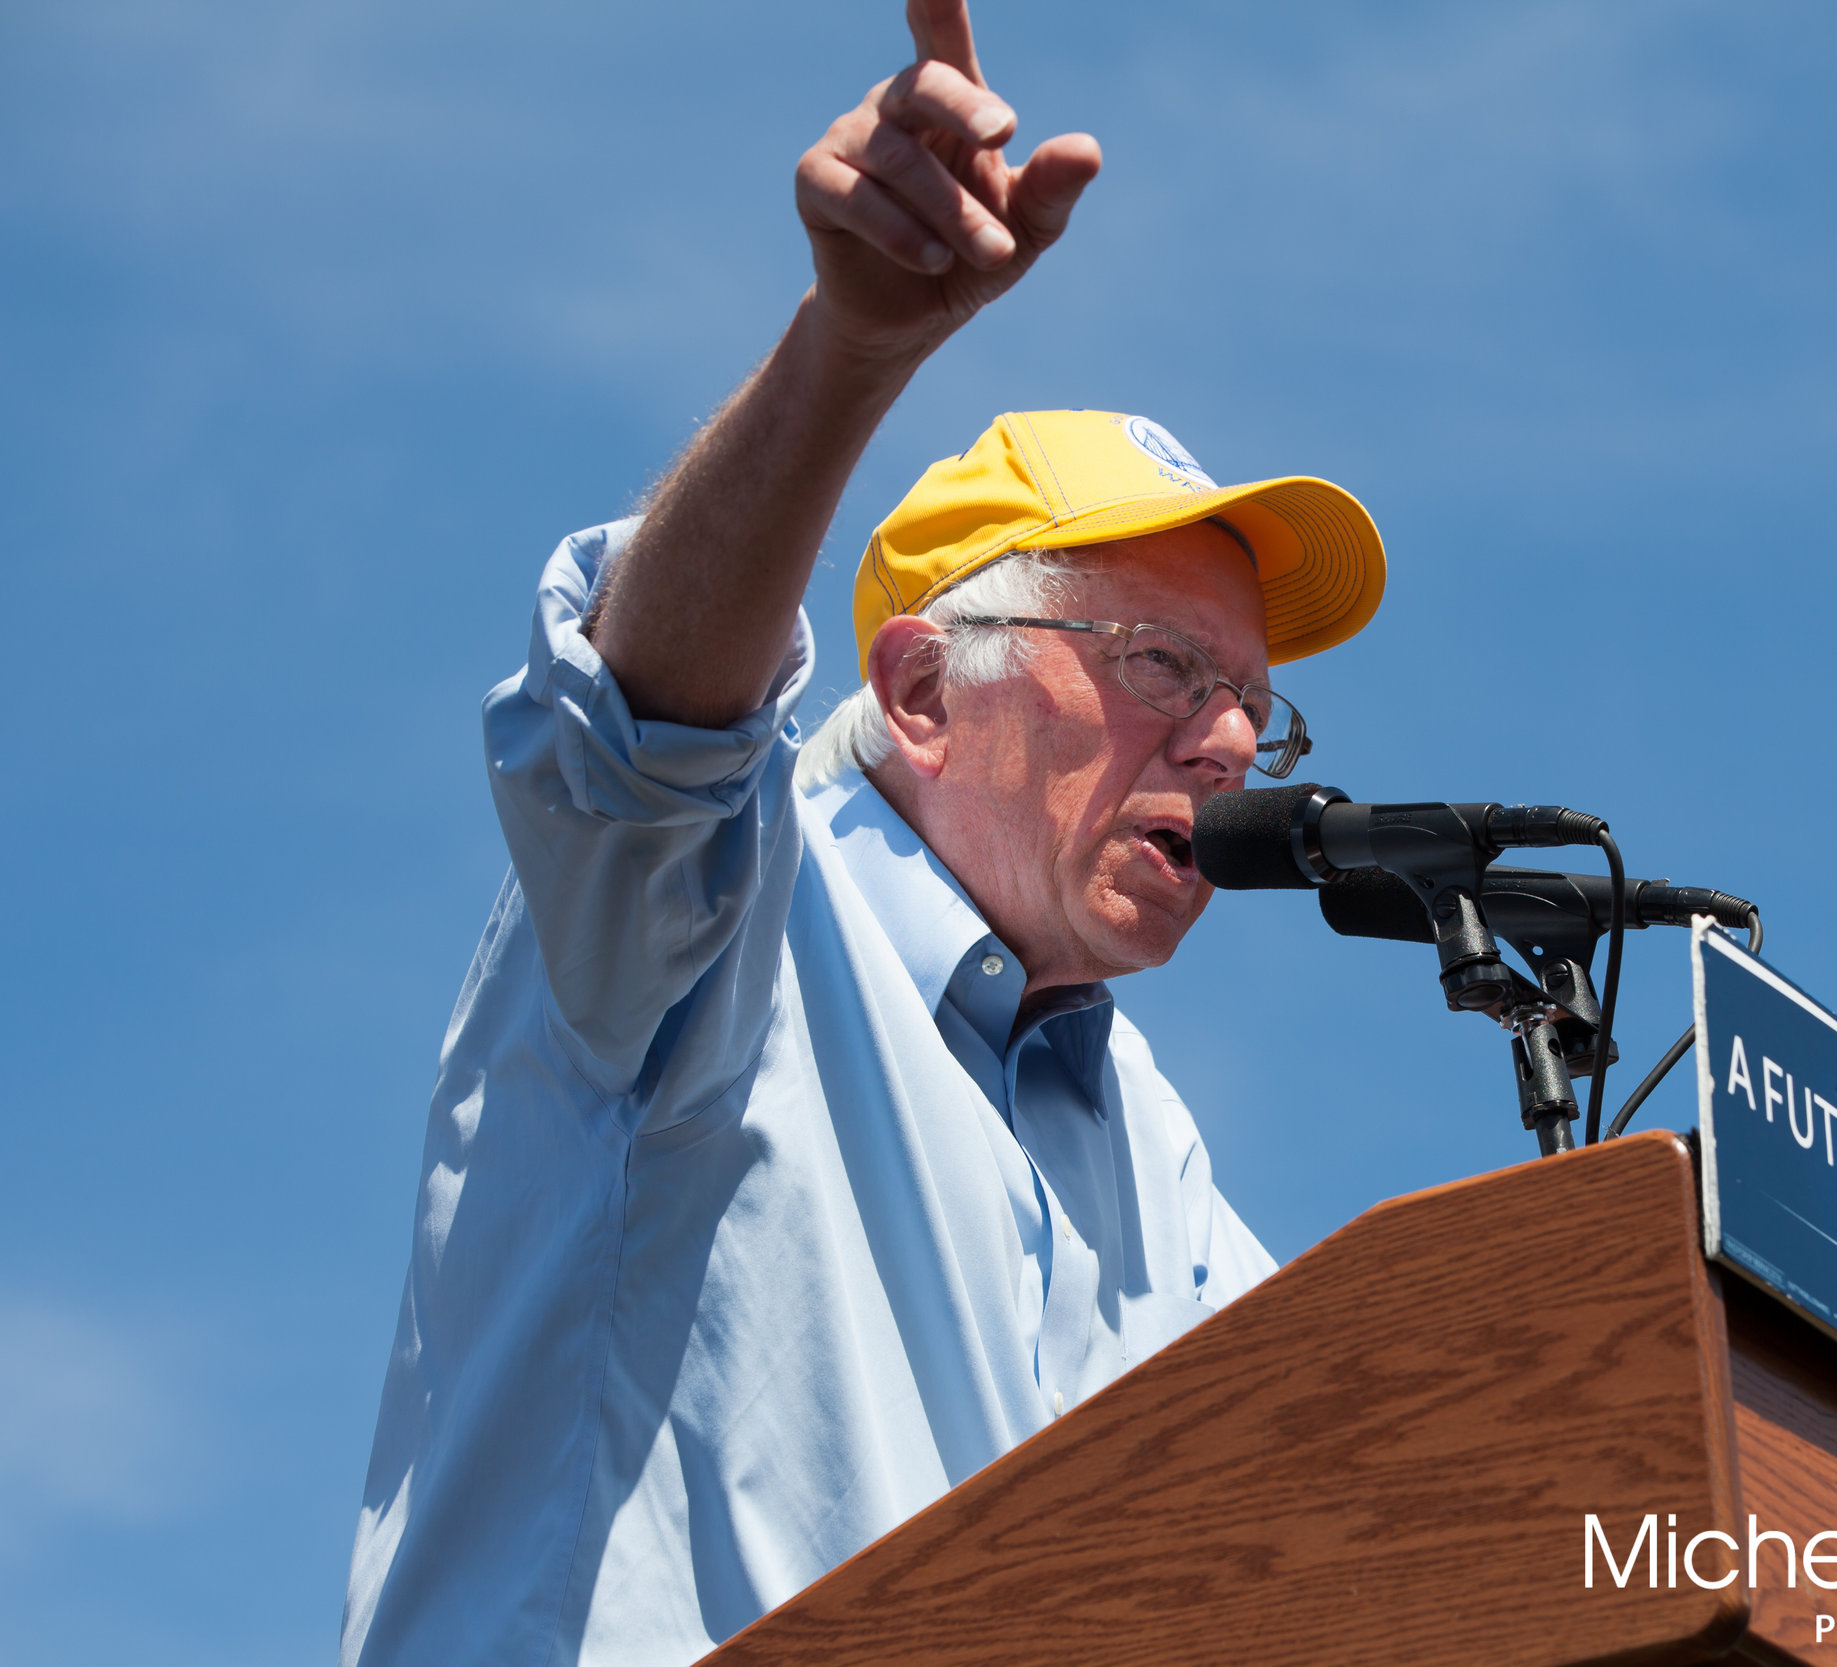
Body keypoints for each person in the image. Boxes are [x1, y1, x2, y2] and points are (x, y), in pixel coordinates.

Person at [336, 4, 1386, 1664]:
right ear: (918, 694)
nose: (1238, 739)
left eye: (1258, 700)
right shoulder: (719, 914)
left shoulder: (1147, 1149)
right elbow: (640, 730)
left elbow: (1364, 1464)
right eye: (1164, 668)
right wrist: (853, 348)